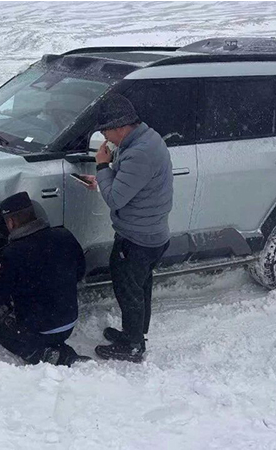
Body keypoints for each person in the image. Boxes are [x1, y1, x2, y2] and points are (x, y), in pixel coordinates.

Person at [80, 93, 173, 363]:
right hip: (150, 233)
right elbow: (130, 185)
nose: (105, 138)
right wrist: (102, 178)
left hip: (138, 239)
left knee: (128, 290)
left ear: (120, 126)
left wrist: (102, 166)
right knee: (140, 287)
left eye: (106, 132)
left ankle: (133, 347)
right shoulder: (145, 138)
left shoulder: (140, 152)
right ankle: (135, 334)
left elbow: (115, 198)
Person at [0, 192, 89, 366]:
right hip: (69, 321)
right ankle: (57, 346)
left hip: (43, 329)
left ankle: (48, 354)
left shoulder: (12, 254)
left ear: (10, 222)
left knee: (4, 331)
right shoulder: (64, 235)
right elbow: (80, 272)